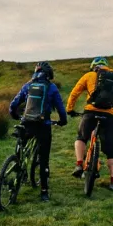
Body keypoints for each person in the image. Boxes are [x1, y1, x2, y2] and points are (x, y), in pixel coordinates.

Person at [66, 56, 113, 192]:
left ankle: (79, 165)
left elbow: (74, 93)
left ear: (93, 67)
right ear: (107, 67)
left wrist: (70, 109)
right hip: (108, 116)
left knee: (81, 138)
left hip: (90, 113)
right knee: (110, 149)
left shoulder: (88, 75)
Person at [9, 61, 67, 202]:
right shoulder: (51, 87)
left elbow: (14, 104)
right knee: (44, 158)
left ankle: (18, 170)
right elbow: (60, 109)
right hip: (43, 126)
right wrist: (62, 121)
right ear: (49, 75)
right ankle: (44, 192)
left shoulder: (28, 85)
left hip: (26, 123)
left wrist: (15, 115)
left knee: (21, 148)